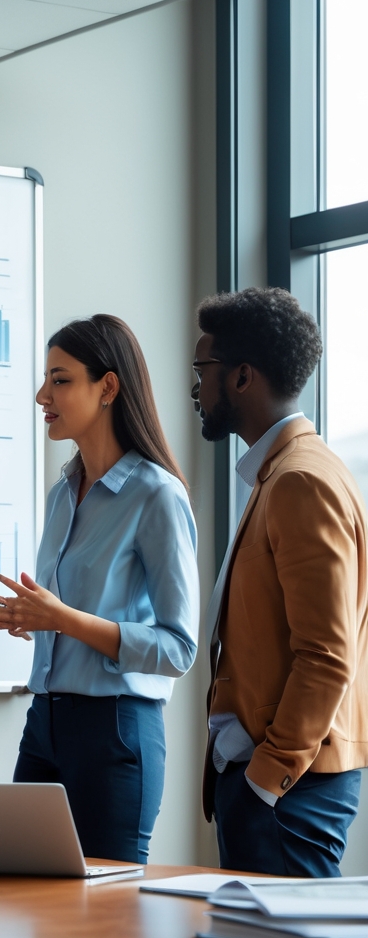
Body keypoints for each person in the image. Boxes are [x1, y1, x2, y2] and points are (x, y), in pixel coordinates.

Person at [0, 316, 198, 865]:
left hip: (116, 731)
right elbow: (68, 618)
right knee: (27, 894)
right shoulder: (63, 494)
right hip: (44, 723)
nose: (41, 395)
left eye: (60, 380)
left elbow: (179, 648)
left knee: (107, 925)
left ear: (108, 387)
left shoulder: (157, 496)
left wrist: (63, 619)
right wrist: (36, 619)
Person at [193, 287, 368, 877]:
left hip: (288, 795)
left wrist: (265, 781)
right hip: (273, 787)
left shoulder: (300, 481)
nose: (195, 387)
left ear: (242, 377)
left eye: (203, 369)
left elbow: (326, 655)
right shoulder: (279, 474)